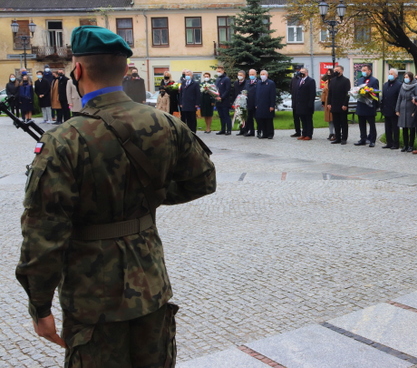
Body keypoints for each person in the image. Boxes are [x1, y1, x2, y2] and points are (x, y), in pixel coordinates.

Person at [15, 25, 216, 366]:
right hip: (150, 282)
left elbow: (44, 233)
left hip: (93, 295)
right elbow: (202, 180)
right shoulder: (165, 124)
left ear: (77, 70)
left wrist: (40, 306)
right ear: (125, 70)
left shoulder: (65, 140)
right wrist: (148, 195)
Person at [354, 64, 380, 147]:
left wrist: (369, 94)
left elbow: (376, 93)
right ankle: (363, 139)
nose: (363, 72)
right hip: (361, 104)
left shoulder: (374, 80)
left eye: (365, 70)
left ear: (369, 71)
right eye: (362, 70)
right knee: (361, 124)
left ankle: (372, 140)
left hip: (369, 106)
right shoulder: (360, 80)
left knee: (371, 124)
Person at [327, 65, 351, 145]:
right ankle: (337, 137)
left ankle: (344, 138)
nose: (336, 72)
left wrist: (345, 104)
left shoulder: (346, 80)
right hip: (334, 104)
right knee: (336, 122)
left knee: (343, 122)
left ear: (342, 71)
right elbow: (330, 93)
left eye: (338, 70)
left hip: (342, 105)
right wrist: (329, 103)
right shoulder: (332, 80)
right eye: (335, 70)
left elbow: (347, 94)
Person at [395, 71, 417, 152]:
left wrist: (414, 111)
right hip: (403, 109)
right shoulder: (403, 86)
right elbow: (399, 98)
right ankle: (405, 145)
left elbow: (416, 99)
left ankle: (411, 145)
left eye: (407, 77)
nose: (406, 79)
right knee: (404, 128)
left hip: (411, 108)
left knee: (411, 128)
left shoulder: (415, 86)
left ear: (411, 78)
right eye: (405, 77)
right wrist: (397, 109)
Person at [381, 69, 402, 149]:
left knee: (395, 128)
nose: (390, 75)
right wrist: (382, 107)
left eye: (392, 74)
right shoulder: (385, 84)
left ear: (396, 76)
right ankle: (389, 142)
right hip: (386, 109)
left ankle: (396, 144)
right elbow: (383, 97)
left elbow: (399, 98)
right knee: (387, 128)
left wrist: (397, 109)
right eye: (389, 73)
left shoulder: (399, 85)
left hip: (394, 110)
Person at [295, 67, 316, 140]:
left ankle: (309, 134)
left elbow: (312, 93)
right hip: (300, 104)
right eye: (301, 71)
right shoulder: (299, 80)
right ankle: (303, 133)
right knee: (302, 120)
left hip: (307, 104)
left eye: (303, 71)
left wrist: (310, 103)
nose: (301, 73)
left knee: (308, 120)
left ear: (306, 73)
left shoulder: (311, 81)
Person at [255, 70, 276, 139]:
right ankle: (264, 133)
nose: (262, 75)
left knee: (268, 120)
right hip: (260, 105)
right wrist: (256, 104)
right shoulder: (258, 83)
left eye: (263, 74)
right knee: (262, 120)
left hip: (268, 104)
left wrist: (272, 105)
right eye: (261, 74)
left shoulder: (271, 83)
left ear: (267, 75)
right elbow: (257, 94)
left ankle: (270, 134)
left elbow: (273, 95)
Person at [214, 66, 232, 135]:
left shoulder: (226, 79)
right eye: (217, 71)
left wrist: (222, 97)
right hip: (218, 100)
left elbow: (227, 90)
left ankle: (229, 130)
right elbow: (216, 89)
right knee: (221, 115)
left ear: (223, 71)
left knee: (226, 115)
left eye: (219, 71)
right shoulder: (218, 79)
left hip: (225, 100)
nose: (218, 72)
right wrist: (215, 96)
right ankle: (223, 129)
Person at [320, 69, 335, 141]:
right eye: (327, 73)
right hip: (327, 102)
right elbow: (324, 92)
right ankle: (331, 132)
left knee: (334, 118)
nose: (328, 75)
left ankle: (336, 133)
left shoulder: (334, 82)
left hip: (333, 101)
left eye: (330, 74)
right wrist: (322, 101)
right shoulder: (326, 82)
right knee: (329, 119)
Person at [244, 69, 258, 136]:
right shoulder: (247, 82)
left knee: (257, 118)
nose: (251, 76)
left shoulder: (259, 82)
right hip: (249, 103)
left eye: (253, 74)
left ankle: (259, 131)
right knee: (249, 118)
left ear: (256, 75)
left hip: (256, 103)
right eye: (250, 74)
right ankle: (251, 131)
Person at [233, 70, 248, 135]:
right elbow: (234, 92)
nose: (239, 76)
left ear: (244, 76)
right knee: (239, 115)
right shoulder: (236, 83)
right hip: (237, 101)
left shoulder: (246, 82)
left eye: (241, 75)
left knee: (244, 115)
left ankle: (245, 130)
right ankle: (241, 130)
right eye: (238, 75)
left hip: (244, 101)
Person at [290, 65, 303, 138]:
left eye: (299, 70)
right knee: (295, 118)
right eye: (296, 70)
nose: (297, 71)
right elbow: (291, 89)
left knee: (303, 118)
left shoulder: (303, 79)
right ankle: (297, 131)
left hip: (301, 103)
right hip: (295, 102)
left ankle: (305, 132)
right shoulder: (293, 79)